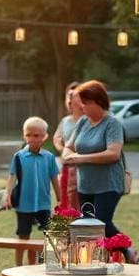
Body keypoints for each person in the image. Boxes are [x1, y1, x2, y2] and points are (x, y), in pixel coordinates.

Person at [62, 80, 139, 261]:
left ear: (96, 101)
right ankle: (115, 254)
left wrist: (79, 158)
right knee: (90, 225)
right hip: (86, 185)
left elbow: (113, 154)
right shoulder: (83, 122)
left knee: (100, 224)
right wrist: (68, 155)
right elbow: (69, 146)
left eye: (84, 103)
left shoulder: (112, 123)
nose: (81, 107)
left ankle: (127, 250)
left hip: (109, 184)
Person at [4, 117, 61, 265]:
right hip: (24, 204)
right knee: (23, 236)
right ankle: (18, 267)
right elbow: (12, 177)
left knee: (49, 235)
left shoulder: (49, 157)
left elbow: (55, 179)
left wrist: (60, 200)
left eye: (36, 135)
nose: (32, 138)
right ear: (24, 135)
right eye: (28, 135)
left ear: (44, 136)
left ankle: (45, 265)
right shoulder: (19, 157)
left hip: (43, 204)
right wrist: (7, 194)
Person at [52, 82, 83, 211]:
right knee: (66, 204)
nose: (70, 100)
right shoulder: (65, 121)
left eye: (74, 95)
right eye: (68, 96)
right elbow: (57, 138)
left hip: (82, 169)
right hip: (66, 167)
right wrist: (64, 151)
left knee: (80, 205)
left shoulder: (87, 120)